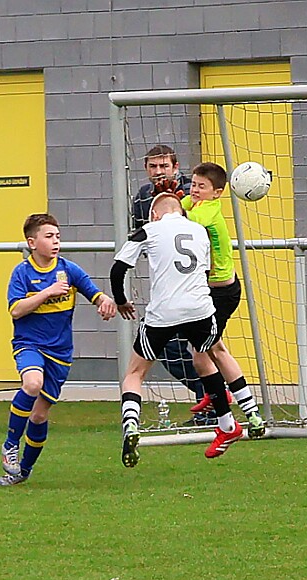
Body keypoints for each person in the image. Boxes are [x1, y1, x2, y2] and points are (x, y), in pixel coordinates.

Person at [112, 193, 244, 466]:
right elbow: (205, 273)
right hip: (200, 309)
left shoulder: (149, 230)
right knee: (209, 357)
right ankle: (234, 420)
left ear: (154, 215)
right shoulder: (199, 230)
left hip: (163, 314)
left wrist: (121, 300)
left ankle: (131, 423)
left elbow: (118, 269)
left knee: (135, 373)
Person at [0, 214, 117, 486]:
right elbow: (16, 310)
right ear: (32, 242)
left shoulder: (69, 269)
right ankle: (10, 444)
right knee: (32, 383)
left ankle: (23, 471)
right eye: (49, 236)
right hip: (30, 344)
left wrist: (105, 302)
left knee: (39, 415)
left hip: (60, 352)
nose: (55, 242)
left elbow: (94, 293)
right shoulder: (22, 273)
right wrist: (46, 293)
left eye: (57, 237)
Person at [181, 162, 265, 437]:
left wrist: (166, 209)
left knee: (207, 353)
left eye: (202, 187)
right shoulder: (195, 202)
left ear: (217, 193)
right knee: (207, 350)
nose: (194, 190)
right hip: (207, 293)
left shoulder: (208, 210)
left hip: (222, 294)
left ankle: (246, 411)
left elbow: (181, 220)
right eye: (193, 184)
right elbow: (179, 205)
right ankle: (219, 394)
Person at [131, 145, 213, 423]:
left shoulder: (191, 192)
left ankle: (220, 404)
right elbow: (140, 238)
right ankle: (210, 399)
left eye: (164, 166)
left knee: (208, 349)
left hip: (198, 285)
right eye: (153, 166)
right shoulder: (143, 198)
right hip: (168, 289)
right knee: (169, 351)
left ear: (175, 167)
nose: (159, 171)